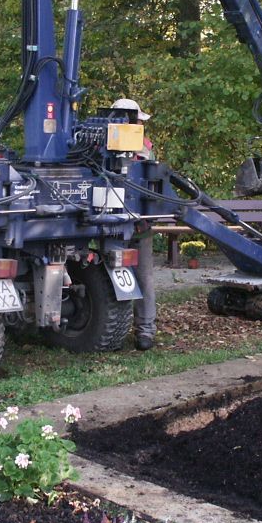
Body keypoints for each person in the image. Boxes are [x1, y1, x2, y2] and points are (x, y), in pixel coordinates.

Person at [111, 97, 156, 350]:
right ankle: (132, 330)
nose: (140, 125)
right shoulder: (102, 150)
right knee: (129, 276)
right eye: (138, 120)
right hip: (119, 227)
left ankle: (144, 330)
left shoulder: (143, 149)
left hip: (135, 226)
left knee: (141, 277)